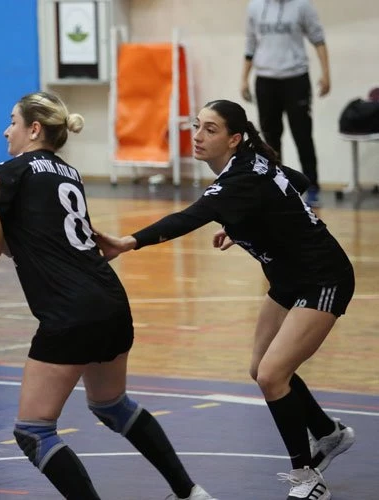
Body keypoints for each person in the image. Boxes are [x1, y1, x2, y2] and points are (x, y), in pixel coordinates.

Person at [0, 91, 217, 500]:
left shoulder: (11, 172)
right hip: (110, 301)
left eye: (12, 121)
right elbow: (21, 242)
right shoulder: (68, 172)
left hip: (68, 311)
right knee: (111, 404)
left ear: (34, 129)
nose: (6, 131)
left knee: (34, 430)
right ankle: (190, 492)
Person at [96, 99, 355, 500]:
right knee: (261, 368)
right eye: (197, 126)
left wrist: (129, 242)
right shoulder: (250, 165)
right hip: (287, 279)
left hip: (323, 278)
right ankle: (327, 433)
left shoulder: (239, 179)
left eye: (210, 129)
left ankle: (307, 477)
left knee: (272, 375)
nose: (198, 136)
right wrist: (243, 222)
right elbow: (297, 181)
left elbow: (189, 217)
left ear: (234, 139)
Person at [241, 0, 330, 207]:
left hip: (296, 78)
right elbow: (250, 44)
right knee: (269, 138)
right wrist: (244, 78)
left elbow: (318, 39)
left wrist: (326, 74)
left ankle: (312, 186)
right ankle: (276, 185)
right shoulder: (255, 6)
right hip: (265, 80)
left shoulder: (302, 6)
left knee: (303, 135)